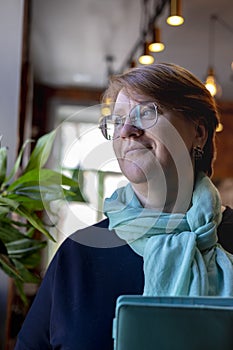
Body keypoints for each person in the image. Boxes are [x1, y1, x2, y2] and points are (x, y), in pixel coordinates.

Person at [15, 63, 233, 349]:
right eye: (117, 121)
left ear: (199, 132)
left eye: (146, 112)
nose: (127, 130)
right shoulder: (79, 254)